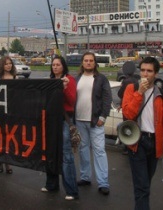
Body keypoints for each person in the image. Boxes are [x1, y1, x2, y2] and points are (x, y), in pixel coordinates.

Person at [122, 56, 163, 210]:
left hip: (154, 142)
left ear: (156, 74)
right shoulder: (131, 89)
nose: (145, 74)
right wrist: (139, 92)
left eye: (149, 71)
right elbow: (128, 114)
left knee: (146, 184)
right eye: (143, 70)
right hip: (137, 141)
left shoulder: (161, 94)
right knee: (142, 186)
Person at [41, 55, 79, 201]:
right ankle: (52, 184)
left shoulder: (69, 79)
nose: (55, 67)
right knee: (50, 151)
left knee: (66, 154)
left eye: (58, 64)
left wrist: (64, 88)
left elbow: (72, 100)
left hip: (64, 119)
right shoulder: (50, 80)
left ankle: (72, 190)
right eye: (53, 64)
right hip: (51, 119)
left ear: (63, 66)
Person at [75, 52, 112, 195]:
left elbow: (107, 98)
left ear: (95, 63)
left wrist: (103, 117)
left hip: (96, 121)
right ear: (82, 63)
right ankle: (85, 177)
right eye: (86, 60)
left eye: (91, 60)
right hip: (79, 120)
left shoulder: (101, 79)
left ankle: (103, 182)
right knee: (83, 149)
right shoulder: (77, 78)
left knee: (99, 151)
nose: (88, 63)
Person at [0, 56, 16, 174]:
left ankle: (8, 163)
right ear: (2, 65)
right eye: (6, 64)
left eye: (10, 63)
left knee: (9, 137)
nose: (9, 65)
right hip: (0, 110)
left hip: (10, 111)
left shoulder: (14, 77)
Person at [117, 61, 139, 155]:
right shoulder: (136, 80)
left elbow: (120, 94)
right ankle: (134, 145)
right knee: (134, 126)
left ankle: (127, 147)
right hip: (135, 106)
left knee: (126, 127)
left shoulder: (126, 81)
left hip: (126, 107)